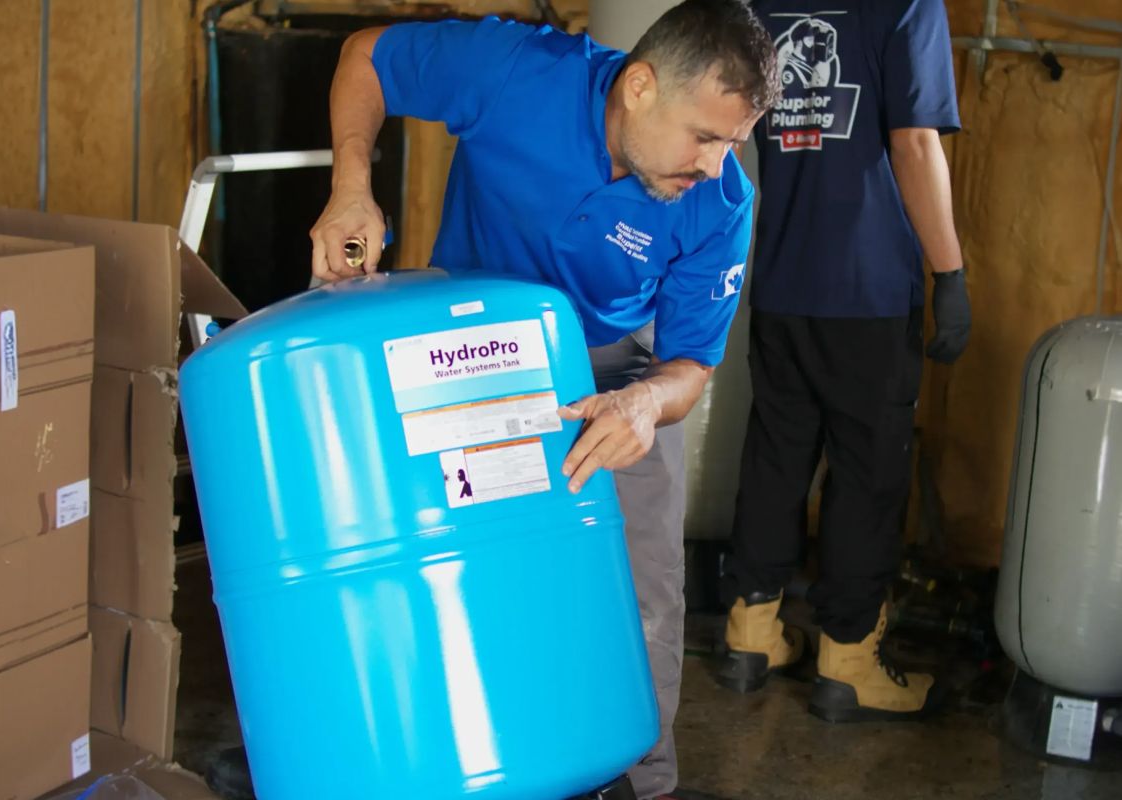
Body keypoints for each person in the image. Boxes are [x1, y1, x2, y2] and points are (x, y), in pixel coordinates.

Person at [310, 2, 778, 796]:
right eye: (704, 136)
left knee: (644, 591)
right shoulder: (515, 72)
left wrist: (643, 405)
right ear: (639, 87)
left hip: (612, 370)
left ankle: (642, 782)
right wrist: (351, 186)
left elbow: (691, 364)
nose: (714, 164)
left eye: (732, 142)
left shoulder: (721, 202)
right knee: (458, 568)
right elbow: (367, 57)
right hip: (465, 351)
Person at [716, 0, 971, 723]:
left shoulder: (757, 4)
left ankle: (751, 634)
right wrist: (949, 273)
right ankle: (849, 660)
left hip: (781, 279)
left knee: (776, 454)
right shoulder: (906, 5)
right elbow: (913, 142)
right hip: (869, 288)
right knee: (867, 471)